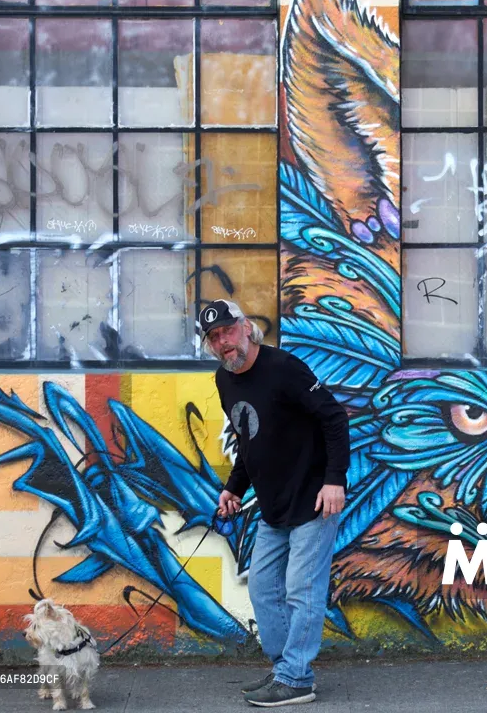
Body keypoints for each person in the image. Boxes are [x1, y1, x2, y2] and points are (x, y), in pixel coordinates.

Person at [201, 299, 349, 708]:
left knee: (302, 590)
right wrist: (234, 487)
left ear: (245, 328)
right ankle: (287, 669)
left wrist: (334, 480)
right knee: (264, 588)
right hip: (273, 506)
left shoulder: (284, 368)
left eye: (228, 331)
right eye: (214, 337)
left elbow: (334, 419)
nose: (223, 342)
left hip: (316, 500)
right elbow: (250, 440)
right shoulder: (224, 381)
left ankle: (296, 678)